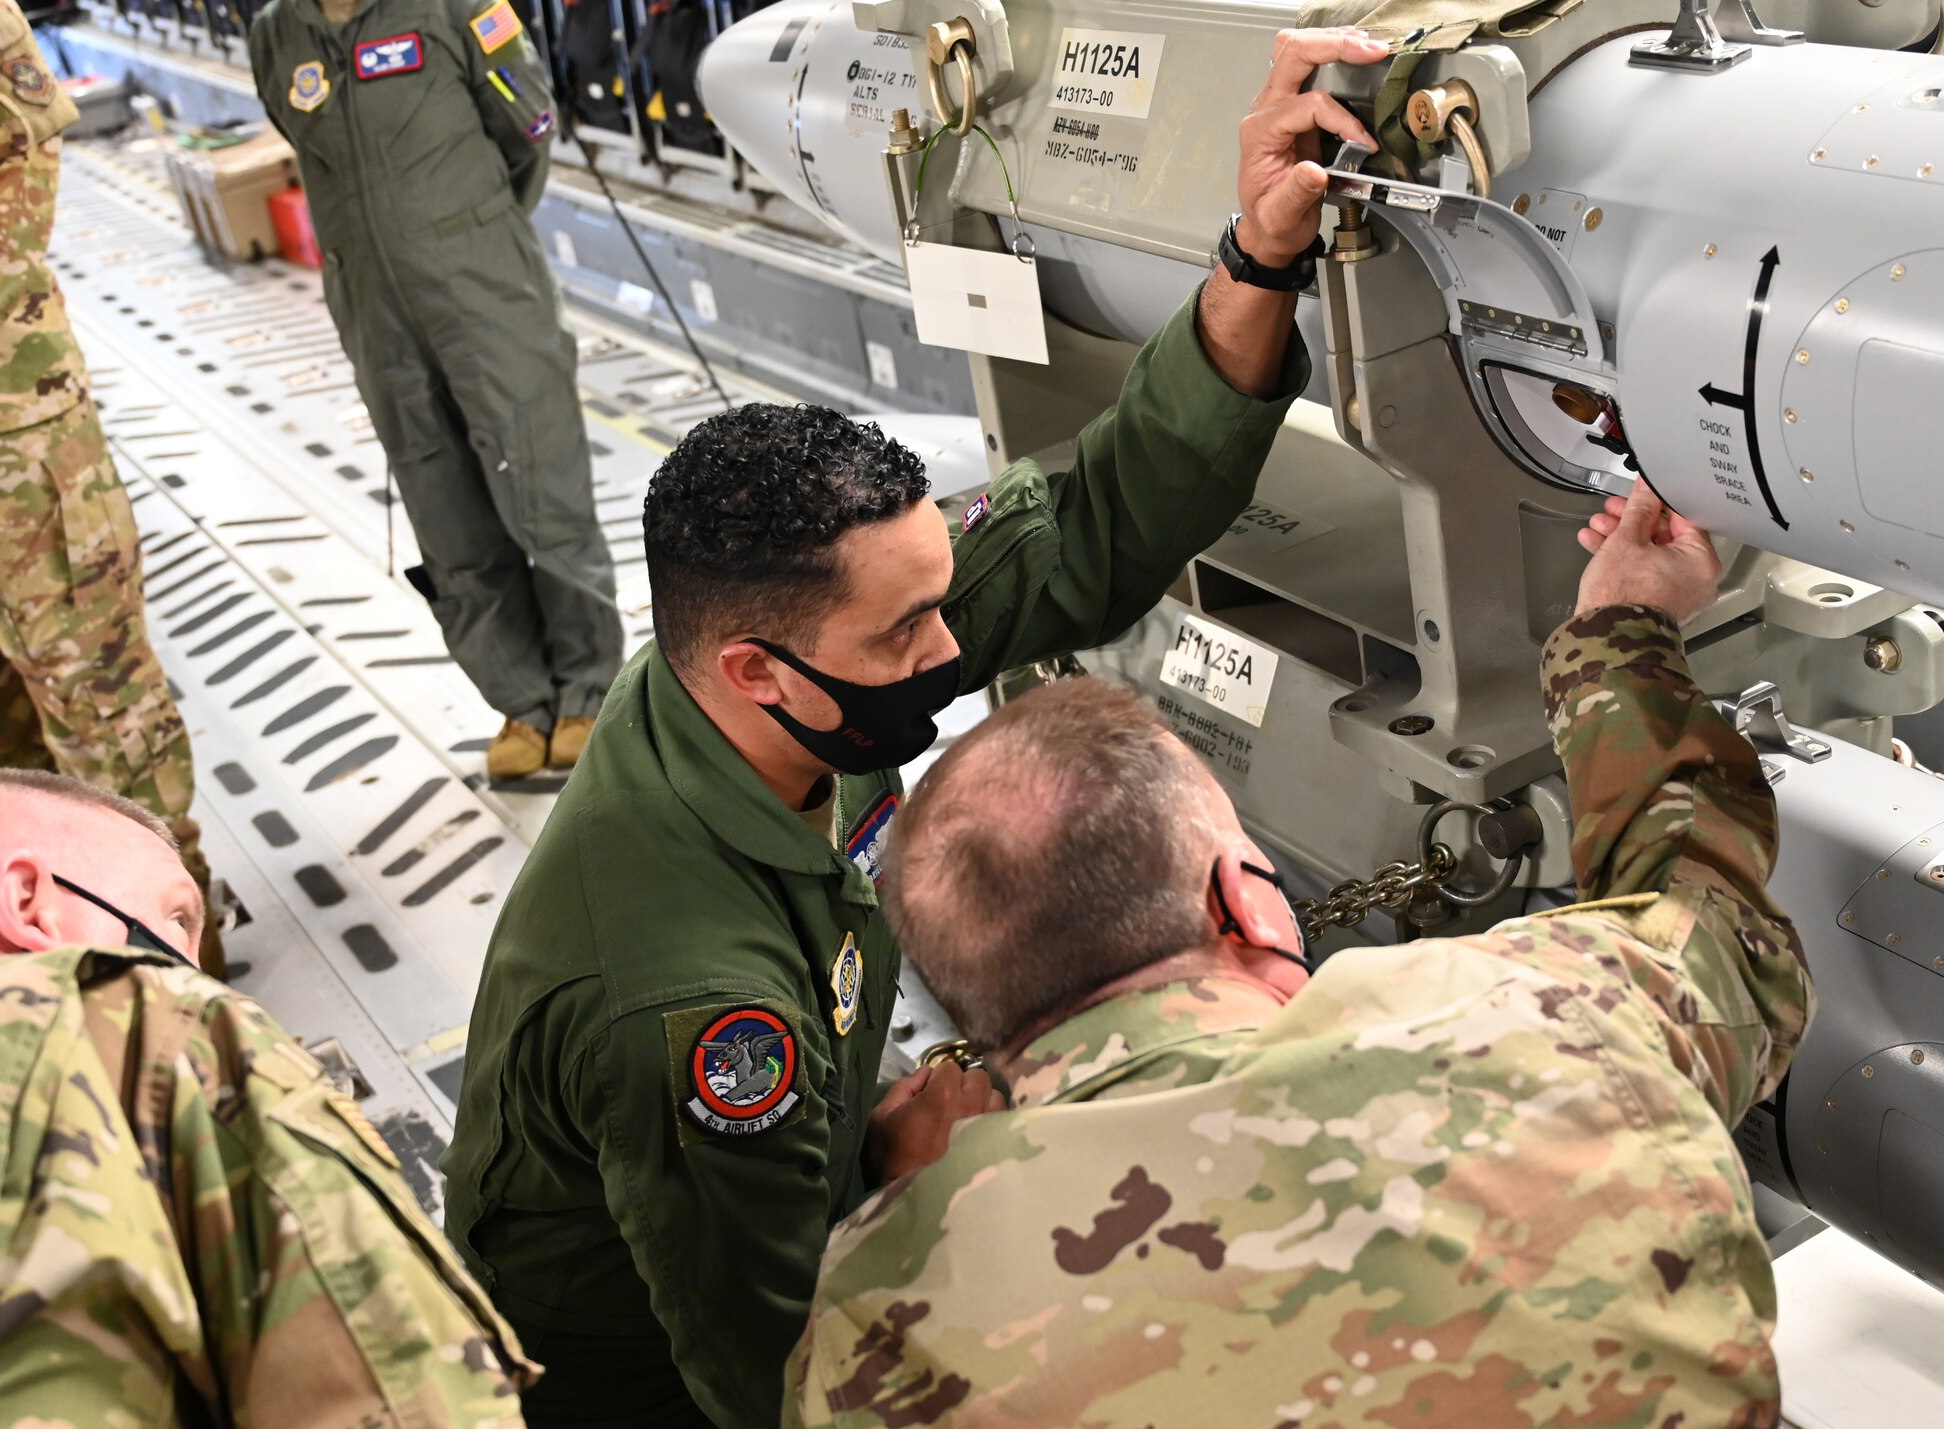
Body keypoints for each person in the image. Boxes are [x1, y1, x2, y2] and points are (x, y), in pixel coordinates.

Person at [443, 23, 1397, 1428]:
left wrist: (1259, 253)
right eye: (908, 635)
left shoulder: (768, 666)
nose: (950, 654)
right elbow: (769, 1372)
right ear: (760, 670)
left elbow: (1087, 526)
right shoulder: (700, 1012)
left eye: (937, 604)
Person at [785, 481, 1815, 1429]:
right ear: (1241, 897)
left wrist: (925, 1211)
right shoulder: (1542, 1019)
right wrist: (1616, 624)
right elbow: (1714, 921)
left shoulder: (874, 1327)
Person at [0, 765, 540, 1424]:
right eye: (173, 919)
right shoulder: (155, 1019)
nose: (192, 969)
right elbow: (412, 1403)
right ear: (28, 899)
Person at [248, 0, 623, 781]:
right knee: (441, 498)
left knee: (540, 478)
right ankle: (520, 700)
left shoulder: (457, 8)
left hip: (485, 283)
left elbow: (529, 127)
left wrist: (474, 228)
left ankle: (589, 688)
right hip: (372, 310)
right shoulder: (275, 35)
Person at [0, 0, 225, 975]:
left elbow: (12, 190)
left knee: (96, 700)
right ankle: (23, 974)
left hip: (5, 424)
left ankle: (167, 961)